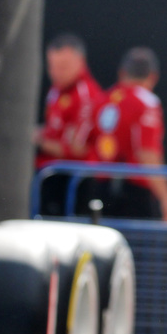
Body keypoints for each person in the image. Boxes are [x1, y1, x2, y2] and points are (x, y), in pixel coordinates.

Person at [92, 47, 167, 222]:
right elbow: (147, 153)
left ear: (122, 73)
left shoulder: (103, 99)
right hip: (134, 193)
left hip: (100, 187)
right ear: (153, 76)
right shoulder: (147, 102)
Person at [35, 32, 104, 216]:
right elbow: (53, 131)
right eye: (52, 67)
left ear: (80, 61)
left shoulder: (85, 94)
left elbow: (76, 149)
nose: (56, 73)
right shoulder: (56, 91)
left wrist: (36, 140)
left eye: (63, 67)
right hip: (50, 176)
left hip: (74, 181)